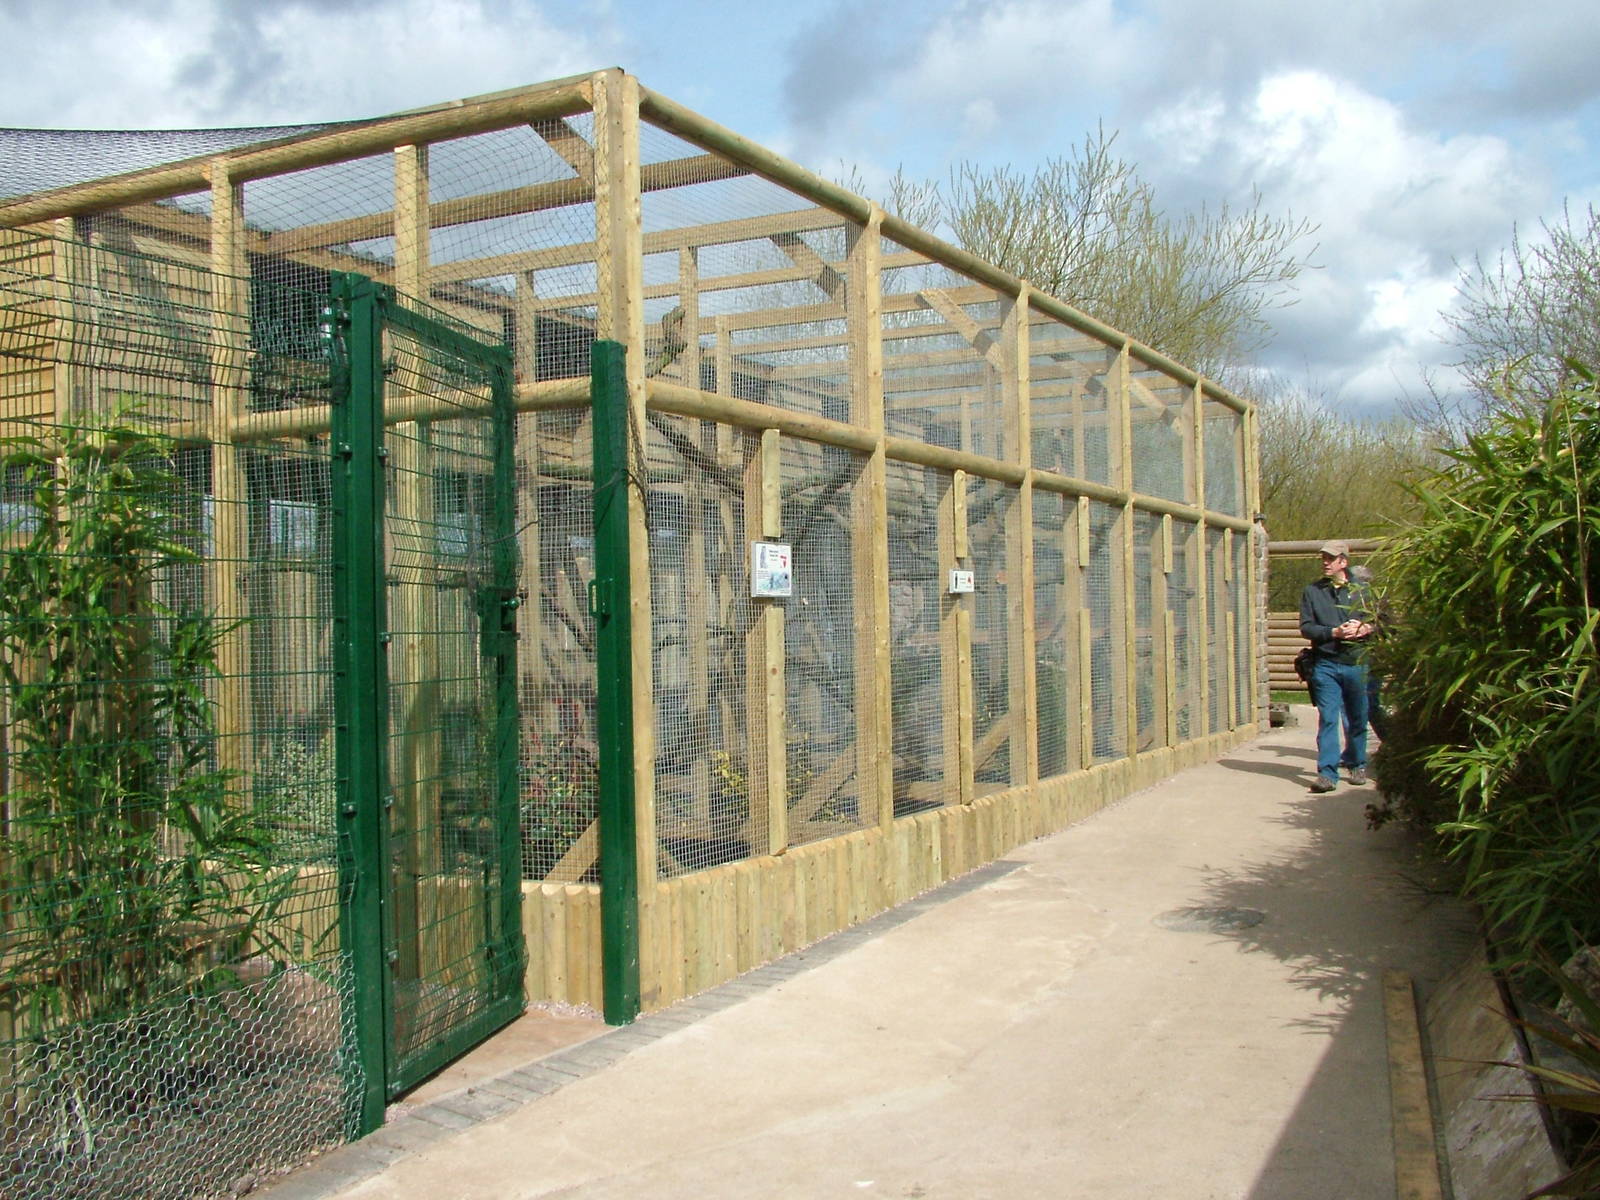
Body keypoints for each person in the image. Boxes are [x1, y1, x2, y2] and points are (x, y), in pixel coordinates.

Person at [1299, 540, 1376, 792]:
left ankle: (1356, 763)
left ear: (1344, 561)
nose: (1325, 562)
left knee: (1357, 717)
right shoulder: (1313, 591)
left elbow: (1385, 622)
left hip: (1357, 662)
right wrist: (1333, 632)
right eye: (1323, 558)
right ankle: (1327, 774)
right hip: (1325, 664)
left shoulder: (1364, 591)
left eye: (1330, 558)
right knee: (1328, 718)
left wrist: (1366, 628)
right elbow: (1306, 627)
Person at [1348, 564, 1388, 740]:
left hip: (1372, 658)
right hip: (1352, 658)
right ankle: (1354, 751)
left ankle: (1388, 740)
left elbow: (1388, 626)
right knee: (1355, 705)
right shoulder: (1346, 599)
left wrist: (1369, 627)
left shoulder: (1376, 600)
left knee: (1369, 704)